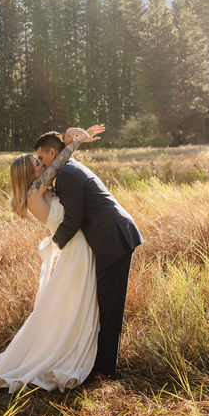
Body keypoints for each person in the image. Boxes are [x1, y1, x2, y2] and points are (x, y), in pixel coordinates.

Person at [0, 125, 105, 393]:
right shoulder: (35, 190)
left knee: (72, 306)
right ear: (29, 172)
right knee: (75, 305)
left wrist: (73, 138)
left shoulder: (37, 192)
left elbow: (56, 163)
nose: (42, 162)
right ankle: (67, 354)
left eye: (40, 159)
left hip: (76, 248)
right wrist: (75, 142)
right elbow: (59, 161)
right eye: (36, 162)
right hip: (76, 251)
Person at [35, 129, 143, 380]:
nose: (41, 163)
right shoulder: (69, 169)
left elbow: (74, 219)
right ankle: (101, 362)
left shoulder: (68, 175)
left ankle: (105, 370)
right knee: (104, 301)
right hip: (111, 236)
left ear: (53, 153)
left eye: (42, 157)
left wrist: (55, 244)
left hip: (112, 239)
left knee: (109, 305)